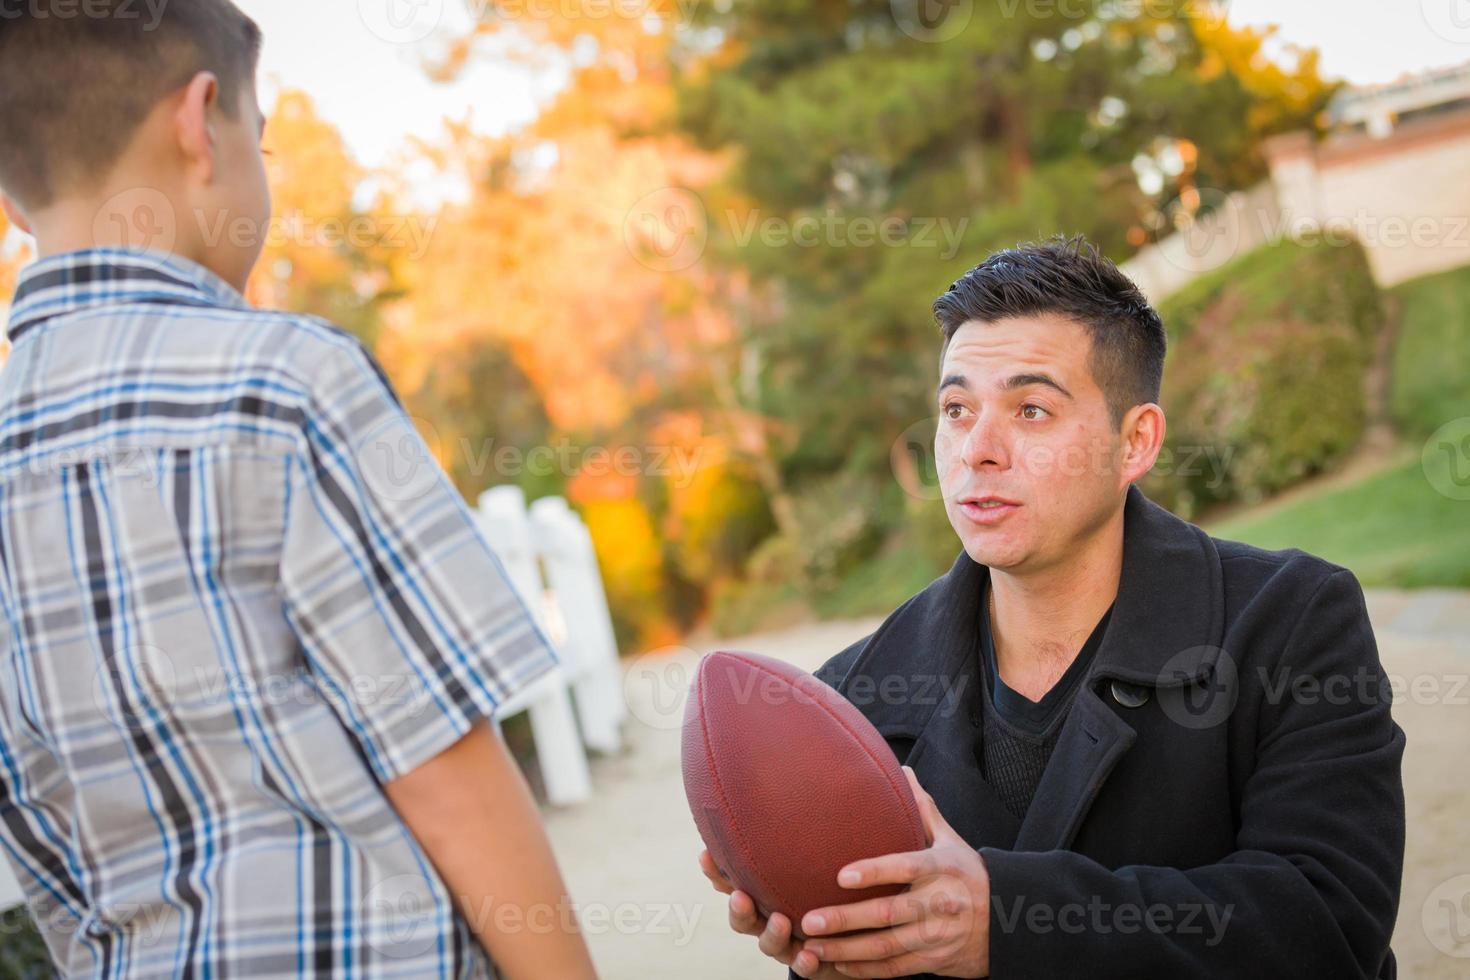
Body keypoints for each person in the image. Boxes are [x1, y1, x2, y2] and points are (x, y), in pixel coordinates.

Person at [0, 3, 596, 977]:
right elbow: (442, 765)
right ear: (200, 124)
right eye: (261, 140)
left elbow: (39, 847)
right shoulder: (288, 381)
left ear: (18, 199)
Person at [700, 236, 1406, 979]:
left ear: (1135, 442)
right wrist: (835, 941)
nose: (978, 449)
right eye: (956, 408)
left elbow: (1328, 923)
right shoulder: (850, 698)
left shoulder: (1292, 622)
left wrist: (1003, 923)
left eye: (1031, 409)